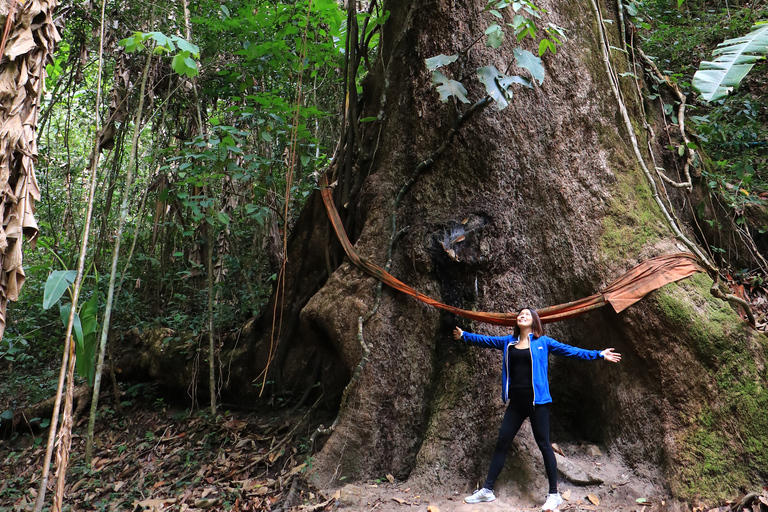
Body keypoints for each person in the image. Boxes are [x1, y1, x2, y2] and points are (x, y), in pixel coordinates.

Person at [454, 307, 621, 510]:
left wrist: (598, 355)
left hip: (538, 403)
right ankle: (487, 491)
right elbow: (485, 340)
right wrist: (464, 336)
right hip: (516, 403)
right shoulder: (508, 342)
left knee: (544, 444)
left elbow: (571, 351)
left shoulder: (543, 342)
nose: (521, 316)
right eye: (519, 314)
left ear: (534, 321)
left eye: (526, 314)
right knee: (502, 442)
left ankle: (554, 494)